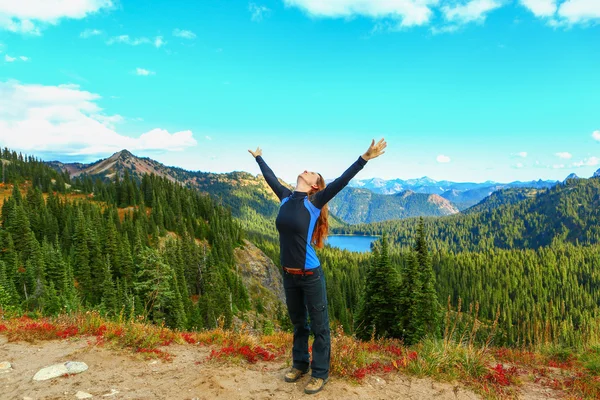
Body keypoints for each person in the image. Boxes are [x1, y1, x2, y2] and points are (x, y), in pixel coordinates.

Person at [248, 138, 387, 394]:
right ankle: (300, 364)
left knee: (320, 326)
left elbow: (341, 182)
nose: (306, 169)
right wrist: (258, 158)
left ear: (314, 185)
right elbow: (270, 179)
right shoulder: (286, 198)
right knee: (299, 323)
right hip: (289, 275)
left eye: (312, 172)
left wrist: (364, 159)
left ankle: (320, 373)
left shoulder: (313, 204)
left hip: (311, 275)